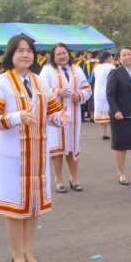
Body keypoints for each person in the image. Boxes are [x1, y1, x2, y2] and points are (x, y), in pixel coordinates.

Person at [0, 34, 69, 262]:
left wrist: (60, 117)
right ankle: (17, 255)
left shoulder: (40, 82)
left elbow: (52, 112)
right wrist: (16, 117)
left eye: (29, 50)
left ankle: (29, 252)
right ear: (10, 54)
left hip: (37, 153)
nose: (25, 54)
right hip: (12, 155)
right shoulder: (0, 82)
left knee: (33, 206)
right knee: (15, 206)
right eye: (20, 50)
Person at [39, 43, 92, 193]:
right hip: (55, 115)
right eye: (58, 54)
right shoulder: (47, 70)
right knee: (57, 147)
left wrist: (79, 95)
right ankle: (58, 179)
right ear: (53, 56)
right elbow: (41, 89)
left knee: (72, 146)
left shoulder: (77, 69)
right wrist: (57, 91)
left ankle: (74, 179)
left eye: (64, 53)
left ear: (69, 54)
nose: (62, 56)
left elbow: (87, 88)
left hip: (74, 114)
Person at [107, 46, 131, 185]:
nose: (127, 57)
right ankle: (122, 173)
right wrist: (116, 110)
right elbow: (110, 95)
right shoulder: (115, 73)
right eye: (124, 55)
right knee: (120, 146)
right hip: (120, 115)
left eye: (129, 54)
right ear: (119, 58)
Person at [92, 51, 115, 140]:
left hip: (98, 92)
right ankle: (114, 133)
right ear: (107, 58)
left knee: (101, 113)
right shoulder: (111, 67)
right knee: (112, 113)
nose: (112, 58)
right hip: (108, 91)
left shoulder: (97, 67)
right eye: (111, 56)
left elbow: (95, 77)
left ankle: (104, 133)